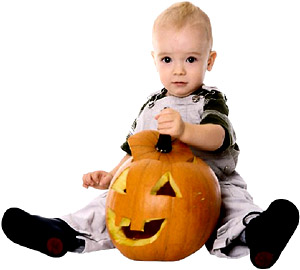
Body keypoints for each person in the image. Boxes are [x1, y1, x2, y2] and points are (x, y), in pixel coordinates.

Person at [2, 2, 299, 269]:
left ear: (210, 60)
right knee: (108, 204)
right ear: (154, 59)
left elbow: (218, 137)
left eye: (191, 60)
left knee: (235, 208)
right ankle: (61, 232)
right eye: (168, 60)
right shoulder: (152, 105)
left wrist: (185, 130)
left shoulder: (210, 100)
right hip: (149, 184)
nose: (179, 70)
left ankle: (261, 234)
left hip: (211, 183)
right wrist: (111, 175)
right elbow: (137, 151)